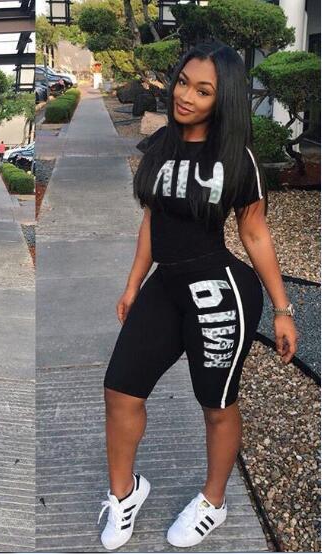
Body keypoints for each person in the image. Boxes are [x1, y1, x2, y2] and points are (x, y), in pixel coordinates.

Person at [98, 41, 298, 550]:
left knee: (216, 404)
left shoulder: (237, 158)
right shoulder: (161, 144)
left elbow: (254, 233)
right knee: (120, 390)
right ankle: (124, 494)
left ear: (221, 99)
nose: (185, 96)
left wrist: (282, 309)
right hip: (165, 287)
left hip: (219, 292)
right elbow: (152, 219)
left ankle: (214, 500)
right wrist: (133, 284)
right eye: (183, 82)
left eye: (202, 91)